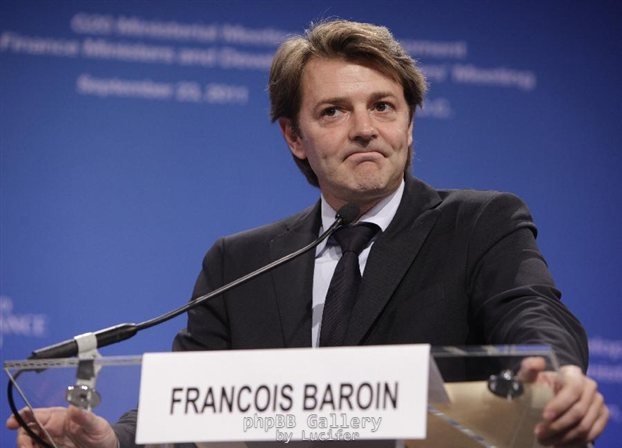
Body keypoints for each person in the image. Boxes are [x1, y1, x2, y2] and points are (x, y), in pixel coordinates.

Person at [7, 19, 608, 448]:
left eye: (383, 106)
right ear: (295, 137)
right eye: (333, 111)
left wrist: (557, 371)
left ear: (408, 123)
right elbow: (190, 401)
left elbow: (531, 310)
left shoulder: (478, 224)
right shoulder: (238, 262)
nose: (365, 128)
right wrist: (113, 440)